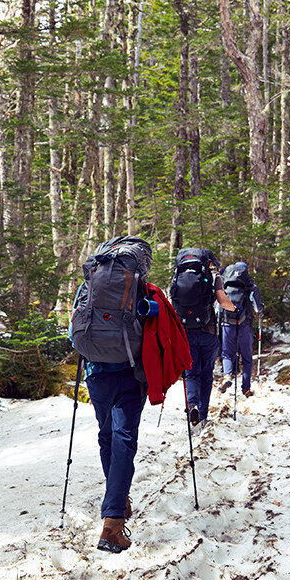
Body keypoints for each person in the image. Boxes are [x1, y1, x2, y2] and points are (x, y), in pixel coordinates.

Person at [69, 236, 189, 554]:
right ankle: (112, 523)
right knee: (124, 440)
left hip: (96, 374)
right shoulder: (146, 293)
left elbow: (73, 330)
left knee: (107, 436)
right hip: (129, 373)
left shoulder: (89, 287)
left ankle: (118, 501)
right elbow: (167, 332)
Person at [170, 248, 235, 428]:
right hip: (208, 332)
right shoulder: (214, 277)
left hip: (186, 332)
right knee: (206, 374)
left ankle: (192, 406)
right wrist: (236, 310)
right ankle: (203, 416)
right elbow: (223, 301)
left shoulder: (178, 276)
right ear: (209, 262)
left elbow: (173, 302)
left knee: (191, 373)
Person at [220, 261, 265, 397]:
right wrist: (261, 308)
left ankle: (227, 375)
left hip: (227, 324)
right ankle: (246, 388)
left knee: (227, 354)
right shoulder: (250, 286)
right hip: (244, 325)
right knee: (247, 358)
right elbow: (258, 308)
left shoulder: (224, 284)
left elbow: (218, 305)